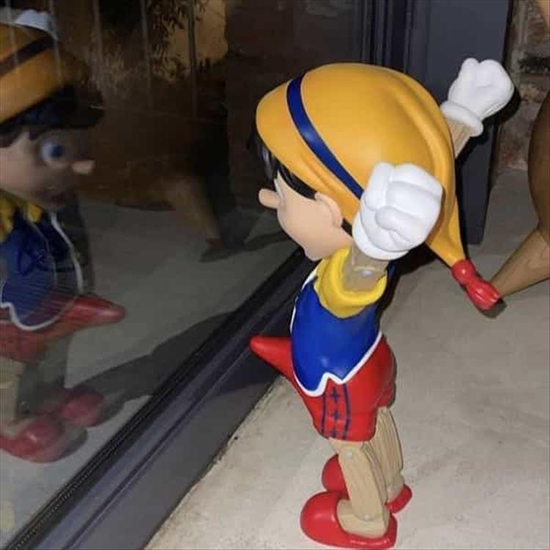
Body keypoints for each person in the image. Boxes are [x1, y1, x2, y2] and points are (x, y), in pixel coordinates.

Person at [250, 60, 513, 548]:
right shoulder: (367, 248)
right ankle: (391, 483)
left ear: (330, 209)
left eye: (282, 199)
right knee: (378, 418)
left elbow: (356, 281)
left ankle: (368, 518)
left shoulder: (347, 272)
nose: (269, 200)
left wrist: (372, 249)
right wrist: (460, 117)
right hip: (371, 363)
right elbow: (422, 169)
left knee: (349, 445)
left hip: (337, 381)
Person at [0, 17, 124, 462]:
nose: (85, 167)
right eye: (55, 151)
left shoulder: (42, 207)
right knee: (10, 364)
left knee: (51, 349)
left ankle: (49, 394)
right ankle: (9, 420)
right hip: (12, 318)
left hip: (49, 306)